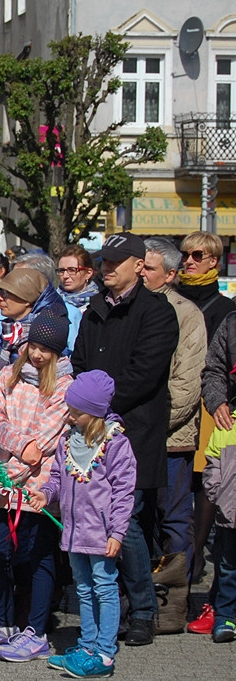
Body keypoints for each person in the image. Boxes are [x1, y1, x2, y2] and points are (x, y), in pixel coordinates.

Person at [71, 231, 179, 647]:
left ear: (139, 264)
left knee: (127, 521)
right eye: (104, 262)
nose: (108, 268)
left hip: (133, 430)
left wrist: (96, 404)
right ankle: (107, 608)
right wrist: (86, 405)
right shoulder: (95, 308)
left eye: (117, 261)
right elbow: (79, 361)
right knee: (98, 520)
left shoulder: (156, 311)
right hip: (92, 430)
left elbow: (144, 373)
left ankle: (144, 610)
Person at [0, 308, 72, 662]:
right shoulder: (8, 374)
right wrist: (15, 452)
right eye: (33, 346)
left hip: (37, 487)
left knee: (35, 558)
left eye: (45, 350)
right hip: (2, 480)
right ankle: (4, 621)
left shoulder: (65, 386)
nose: (37, 355)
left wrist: (18, 465)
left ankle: (35, 630)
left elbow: (48, 439)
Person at [30, 370, 136, 678]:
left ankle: (104, 653)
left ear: (94, 412)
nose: (70, 417)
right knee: (84, 589)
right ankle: (87, 645)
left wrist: (117, 531)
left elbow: (124, 491)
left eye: (76, 412)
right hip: (74, 531)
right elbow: (57, 479)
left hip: (101, 533)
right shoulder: (67, 442)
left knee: (104, 587)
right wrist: (45, 494)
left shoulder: (116, 444)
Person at [174, 231, 236, 591]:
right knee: (180, 482)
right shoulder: (173, 300)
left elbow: (220, 363)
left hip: (212, 405)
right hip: (179, 400)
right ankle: (178, 558)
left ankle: (196, 559)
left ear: (214, 260)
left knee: (207, 484)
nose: (189, 261)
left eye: (198, 255)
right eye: (185, 255)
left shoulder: (225, 308)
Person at [143, 237, 206, 578]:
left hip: (171, 436)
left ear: (169, 275)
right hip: (135, 433)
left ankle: (176, 596)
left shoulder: (186, 314)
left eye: (149, 269)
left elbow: (187, 382)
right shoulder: (133, 308)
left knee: (174, 518)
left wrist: (153, 422)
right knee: (142, 517)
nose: (141, 274)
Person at [203, 401, 236, 643]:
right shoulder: (227, 422)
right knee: (227, 566)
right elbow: (212, 461)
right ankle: (225, 615)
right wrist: (218, 494)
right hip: (230, 512)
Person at [56, 245, 98, 311]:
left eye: (72, 270)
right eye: (62, 270)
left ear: (88, 273)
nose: (65, 276)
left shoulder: (98, 304)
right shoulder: (50, 302)